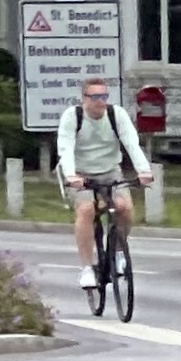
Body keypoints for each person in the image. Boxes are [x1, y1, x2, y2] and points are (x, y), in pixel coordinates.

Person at [57, 75, 153, 289]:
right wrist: (72, 176)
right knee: (86, 210)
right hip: (81, 174)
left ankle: (119, 252)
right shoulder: (73, 117)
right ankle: (87, 268)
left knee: (124, 208)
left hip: (111, 171)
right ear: (84, 98)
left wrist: (144, 171)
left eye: (104, 96)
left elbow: (131, 143)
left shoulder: (116, 115)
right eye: (95, 97)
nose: (100, 101)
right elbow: (65, 148)